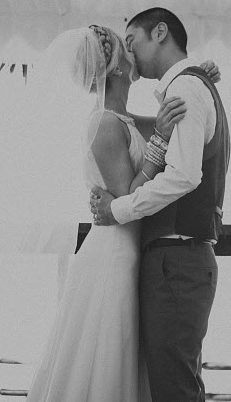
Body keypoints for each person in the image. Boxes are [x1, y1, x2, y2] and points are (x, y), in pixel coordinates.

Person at [26, 24, 220, 402]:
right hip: (114, 255)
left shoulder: (125, 119)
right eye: (124, 45)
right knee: (107, 359)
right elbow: (127, 198)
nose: (132, 51)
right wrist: (160, 141)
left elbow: (174, 119)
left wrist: (199, 75)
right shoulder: (102, 124)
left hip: (135, 253)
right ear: (114, 67)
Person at [90, 8, 231, 402]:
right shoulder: (182, 89)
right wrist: (196, 76)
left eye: (132, 42)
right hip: (170, 260)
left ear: (161, 32)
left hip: (175, 260)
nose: (129, 55)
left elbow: (184, 176)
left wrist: (116, 210)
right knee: (170, 384)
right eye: (123, 50)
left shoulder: (185, 89)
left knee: (174, 390)